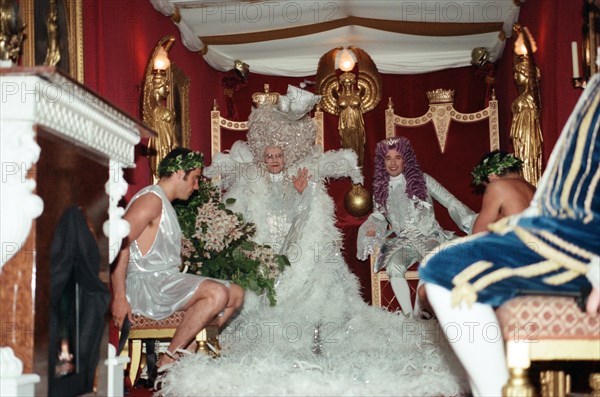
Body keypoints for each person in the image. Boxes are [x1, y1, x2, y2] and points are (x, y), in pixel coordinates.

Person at [160, 85, 469, 396]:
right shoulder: (251, 181)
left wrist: (300, 194)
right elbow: (241, 219)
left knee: (322, 273)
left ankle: (323, 332)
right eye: (269, 155)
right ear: (262, 156)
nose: (274, 159)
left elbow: (304, 217)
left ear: (286, 155)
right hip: (264, 251)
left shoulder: (302, 177)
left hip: (299, 250)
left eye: (279, 155)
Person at [419, 73, 600, 396]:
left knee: (441, 270)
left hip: (542, 244)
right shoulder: (532, 187)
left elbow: (478, 232)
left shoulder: (498, 187)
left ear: (490, 175)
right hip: (544, 240)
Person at [110, 148, 244, 374]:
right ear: (179, 173)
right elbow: (119, 244)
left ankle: (184, 357)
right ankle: (169, 361)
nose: (196, 186)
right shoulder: (151, 199)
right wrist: (120, 297)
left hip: (165, 282)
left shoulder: (163, 201)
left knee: (236, 294)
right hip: (146, 286)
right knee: (217, 293)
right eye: (194, 179)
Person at [357, 137, 476, 316]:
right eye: (388, 158)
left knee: (429, 263)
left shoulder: (423, 180)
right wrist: (372, 228)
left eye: (398, 157)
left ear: (406, 159)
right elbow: (378, 216)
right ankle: (408, 316)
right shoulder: (381, 188)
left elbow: (449, 201)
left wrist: (470, 221)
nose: (393, 162)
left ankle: (419, 313)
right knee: (393, 267)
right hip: (404, 242)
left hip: (431, 237)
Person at [470, 150, 535, 234]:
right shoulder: (535, 189)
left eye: (486, 185)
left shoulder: (497, 186)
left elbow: (478, 234)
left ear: (491, 176)